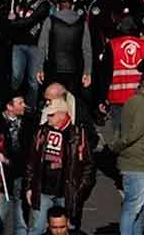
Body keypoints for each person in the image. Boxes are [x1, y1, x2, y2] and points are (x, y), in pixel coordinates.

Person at [24, 98, 94, 235]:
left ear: (62, 114)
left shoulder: (78, 134)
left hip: (66, 194)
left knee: (64, 230)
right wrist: (29, 187)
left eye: (51, 114)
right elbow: (31, 161)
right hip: (43, 192)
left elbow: (88, 166)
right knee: (37, 229)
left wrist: (79, 190)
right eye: (47, 114)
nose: (48, 117)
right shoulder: (42, 132)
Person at [110, 74, 144, 235]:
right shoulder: (143, 106)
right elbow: (133, 133)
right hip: (137, 163)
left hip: (138, 162)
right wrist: (118, 146)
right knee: (133, 208)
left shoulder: (133, 102)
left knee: (138, 209)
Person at [0, 90, 34, 235]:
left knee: (21, 219)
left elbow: (29, 150)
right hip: (4, 177)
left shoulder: (29, 122)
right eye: (20, 103)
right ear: (9, 107)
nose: (24, 106)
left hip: (21, 174)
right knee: (0, 218)